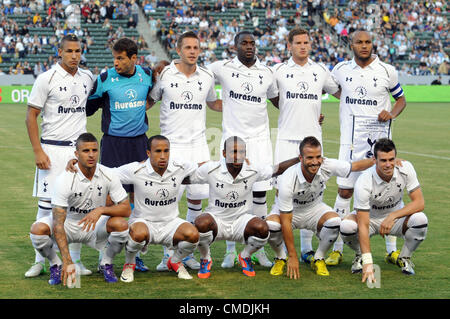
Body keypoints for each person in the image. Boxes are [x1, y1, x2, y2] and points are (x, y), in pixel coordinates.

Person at [327, 29, 407, 267]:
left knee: (386, 193)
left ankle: (391, 250)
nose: (364, 45)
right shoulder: (340, 70)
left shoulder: (386, 70)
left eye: (368, 42)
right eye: (359, 42)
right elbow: (333, 91)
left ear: (373, 44)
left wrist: (391, 112)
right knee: (344, 193)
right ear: (351, 45)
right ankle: (338, 249)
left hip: (380, 145)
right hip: (350, 142)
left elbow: (401, 99)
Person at [148, 31, 222, 271]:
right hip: (171, 148)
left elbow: (213, 102)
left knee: (196, 200)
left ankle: (185, 252)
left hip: (198, 146)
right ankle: (167, 254)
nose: (192, 51)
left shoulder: (207, 76)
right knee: (168, 201)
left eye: (196, 48)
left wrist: (243, 104)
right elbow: (149, 101)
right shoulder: (165, 74)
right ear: (178, 50)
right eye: (188, 47)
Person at [207, 31, 279, 268]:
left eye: (252, 43)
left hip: (259, 142)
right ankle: (229, 250)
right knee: (230, 193)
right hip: (232, 142)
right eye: (244, 43)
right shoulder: (221, 68)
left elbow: (278, 101)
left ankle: (256, 249)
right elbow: (197, 78)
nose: (249, 47)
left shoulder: (268, 72)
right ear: (235, 46)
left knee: (259, 194)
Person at [25, 34, 94, 278]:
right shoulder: (47, 79)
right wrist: (38, 151)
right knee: (45, 207)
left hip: (77, 152)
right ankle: (39, 261)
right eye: (70, 51)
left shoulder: (87, 77)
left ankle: (75, 261)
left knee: (76, 207)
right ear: (60, 52)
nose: (74, 55)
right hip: (52, 150)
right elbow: (31, 115)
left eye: (78, 51)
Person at [271, 27, 340, 265]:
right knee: (282, 191)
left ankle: (307, 248)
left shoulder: (320, 70)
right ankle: (280, 252)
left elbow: (339, 92)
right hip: (287, 139)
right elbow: (270, 95)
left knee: (311, 192)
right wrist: (289, 110)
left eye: (306, 42)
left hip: (312, 141)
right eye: (298, 42)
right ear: (289, 45)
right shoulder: (278, 70)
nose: (303, 46)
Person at [187, 136, 300, 278]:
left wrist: (299, 159)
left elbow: (277, 169)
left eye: (241, 152)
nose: (238, 156)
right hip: (217, 220)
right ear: (223, 153)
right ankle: (205, 259)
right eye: (233, 152)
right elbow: (185, 178)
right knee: (200, 223)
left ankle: (245, 256)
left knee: (263, 228)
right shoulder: (211, 169)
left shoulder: (252, 169)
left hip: (241, 221)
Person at [266, 136, 377, 278]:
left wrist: (377, 160)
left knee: (335, 221)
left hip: (314, 209)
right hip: (289, 212)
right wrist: (293, 256)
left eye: (318, 157)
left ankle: (318, 258)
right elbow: (286, 220)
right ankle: (281, 257)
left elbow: (354, 167)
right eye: (310, 157)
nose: (315, 162)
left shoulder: (326, 165)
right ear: (301, 158)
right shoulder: (288, 178)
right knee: (271, 225)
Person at [86, 37, 153, 272]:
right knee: (110, 199)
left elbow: (153, 96)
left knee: (137, 198)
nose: (116, 63)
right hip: (113, 145)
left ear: (133, 58)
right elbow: (87, 108)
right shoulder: (104, 79)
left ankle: (134, 252)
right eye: (114, 58)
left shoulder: (147, 74)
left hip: (139, 144)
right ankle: (106, 253)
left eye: (120, 58)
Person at [29, 133, 131, 285]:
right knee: (37, 230)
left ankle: (106, 263)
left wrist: (101, 210)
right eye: (85, 151)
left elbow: (126, 209)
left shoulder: (108, 174)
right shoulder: (64, 179)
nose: (91, 155)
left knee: (121, 225)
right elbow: (58, 223)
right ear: (76, 154)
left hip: (94, 226)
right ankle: (56, 265)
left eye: (94, 150)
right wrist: (67, 260)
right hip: (68, 224)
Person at [112, 135, 200, 282]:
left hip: (170, 223)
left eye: (166, 151)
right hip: (144, 222)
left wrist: (229, 162)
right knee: (138, 233)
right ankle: (129, 263)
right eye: (158, 151)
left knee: (193, 235)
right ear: (148, 153)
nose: (163, 156)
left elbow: (202, 167)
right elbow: (108, 172)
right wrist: (77, 165)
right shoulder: (136, 169)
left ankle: (175, 260)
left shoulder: (179, 166)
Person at [341, 138, 427, 280]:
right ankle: (360, 256)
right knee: (346, 226)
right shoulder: (364, 181)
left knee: (421, 219)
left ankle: (404, 257)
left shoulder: (406, 168)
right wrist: (369, 263)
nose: (388, 165)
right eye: (383, 160)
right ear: (374, 160)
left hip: (396, 220)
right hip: (370, 220)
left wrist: (392, 216)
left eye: (391, 159)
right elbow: (363, 223)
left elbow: (419, 202)